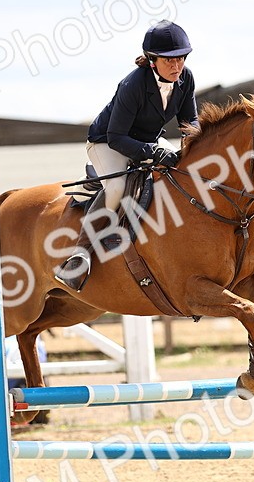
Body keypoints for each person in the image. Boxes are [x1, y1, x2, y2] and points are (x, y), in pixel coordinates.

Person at [55, 20, 199, 290]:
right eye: (169, 60)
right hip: (107, 142)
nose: (176, 66)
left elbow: (190, 122)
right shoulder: (133, 84)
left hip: (147, 140)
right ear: (152, 60)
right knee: (117, 187)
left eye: (180, 58)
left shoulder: (186, 78)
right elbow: (116, 136)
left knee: (181, 172)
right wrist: (154, 152)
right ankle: (79, 255)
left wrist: (195, 147)